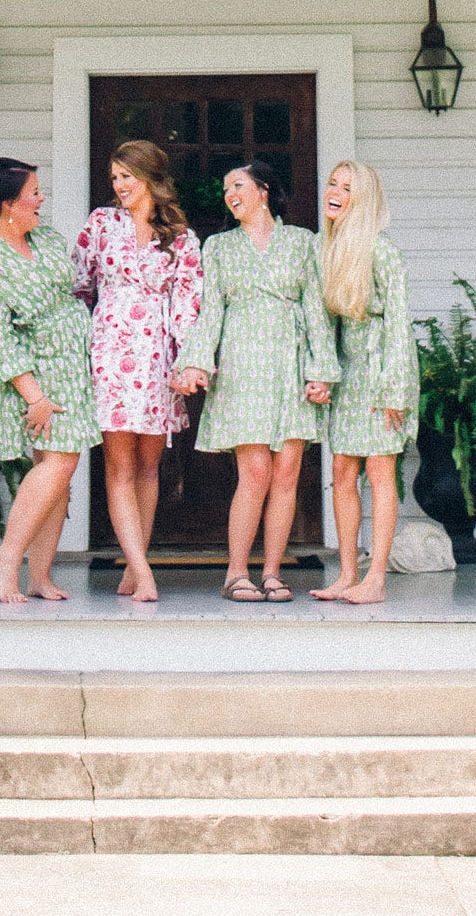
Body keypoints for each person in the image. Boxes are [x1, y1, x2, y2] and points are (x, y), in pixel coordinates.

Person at [173, 159, 340, 604]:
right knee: (255, 473)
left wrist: (321, 371)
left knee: (287, 473)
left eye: (239, 185)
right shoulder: (220, 247)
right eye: (226, 188)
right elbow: (211, 312)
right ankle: (235, 573)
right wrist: (196, 363)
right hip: (243, 364)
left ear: (264, 190)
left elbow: (315, 311)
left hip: (290, 363)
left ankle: (272, 573)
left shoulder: (302, 243)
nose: (230, 194)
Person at [0, 158, 102, 605]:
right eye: (33, 193)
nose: (42, 199)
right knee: (57, 465)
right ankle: (7, 557)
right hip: (32, 375)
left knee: (60, 472)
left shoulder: (45, 236)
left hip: (70, 366)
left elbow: (72, 288)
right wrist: (34, 396)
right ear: (8, 205)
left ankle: (40, 574)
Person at [71, 139, 202, 605]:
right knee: (119, 465)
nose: (120, 185)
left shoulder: (182, 237)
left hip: (158, 357)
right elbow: (79, 286)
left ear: (150, 177)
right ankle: (144, 571)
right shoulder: (101, 225)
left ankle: (133, 562)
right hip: (109, 351)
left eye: (127, 176)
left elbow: (189, 303)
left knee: (149, 466)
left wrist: (186, 360)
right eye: (115, 178)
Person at [309, 159, 419, 606]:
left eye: (347, 187)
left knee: (379, 472)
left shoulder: (382, 249)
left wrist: (396, 389)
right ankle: (347, 573)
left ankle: (376, 578)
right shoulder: (326, 246)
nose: (335, 192)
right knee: (341, 471)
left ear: (365, 198)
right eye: (333, 183)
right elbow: (321, 321)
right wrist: (323, 372)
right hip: (349, 371)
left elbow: (398, 324)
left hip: (381, 368)